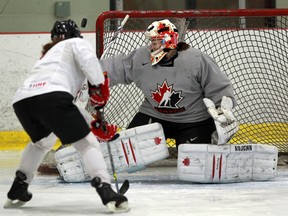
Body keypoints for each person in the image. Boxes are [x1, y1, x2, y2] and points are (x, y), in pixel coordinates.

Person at [4, 19, 128, 212]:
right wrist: (98, 84)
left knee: (41, 143)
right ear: (76, 34)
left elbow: (66, 109)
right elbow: (89, 68)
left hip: (23, 101)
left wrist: (92, 123)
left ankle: (19, 187)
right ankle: (106, 189)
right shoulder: (76, 43)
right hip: (52, 98)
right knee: (87, 144)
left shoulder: (48, 56)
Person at [99, 19, 237, 148]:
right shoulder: (141, 57)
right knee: (129, 149)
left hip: (194, 120)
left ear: (170, 41)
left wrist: (223, 110)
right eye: (152, 42)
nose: (154, 46)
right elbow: (117, 67)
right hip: (154, 114)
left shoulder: (196, 60)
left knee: (193, 160)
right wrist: (91, 75)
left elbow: (218, 86)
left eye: (158, 41)